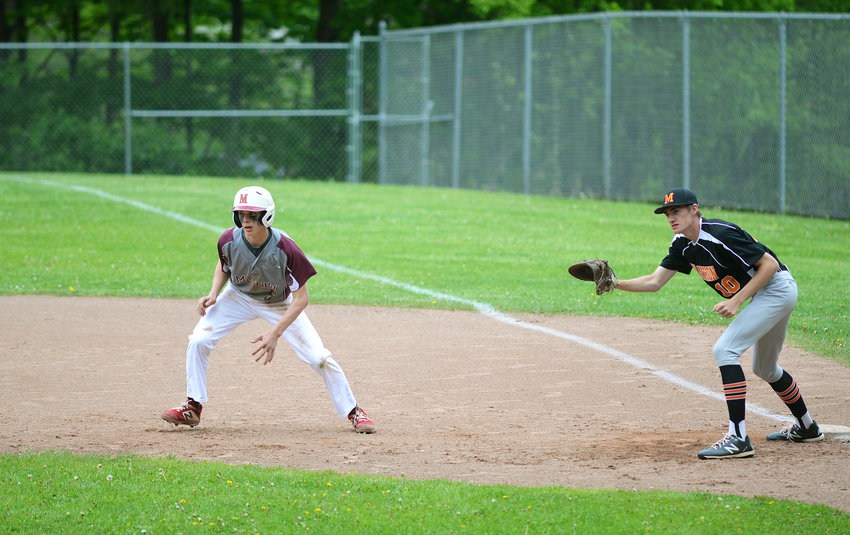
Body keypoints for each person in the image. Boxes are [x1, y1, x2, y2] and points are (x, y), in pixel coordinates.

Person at [615, 188, 822, 459]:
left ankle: (738, 438)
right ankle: (807, 427)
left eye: (676, 210)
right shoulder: (682, 244)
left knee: (725, 350)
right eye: (667, 213)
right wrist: (614, 283)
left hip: (776, 290)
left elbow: (769, 265)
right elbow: (655, 282)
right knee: (765, 368)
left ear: (694, 209)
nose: (671, 217)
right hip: (765, 295)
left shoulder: (720, 233)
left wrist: (736, 301)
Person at [161, 185, 376, 433]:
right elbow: (223, 264)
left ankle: (354, 411)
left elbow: (301, 299)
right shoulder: (228, 239)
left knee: (319, 357)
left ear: (267, 216)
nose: (245, 220)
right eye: (241, 214)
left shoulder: (286, 249)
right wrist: (213, 294)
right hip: (238, 296)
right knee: (199, 340)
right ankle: (192, 407)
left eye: (253, 215)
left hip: (279, 302)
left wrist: (275, 333)